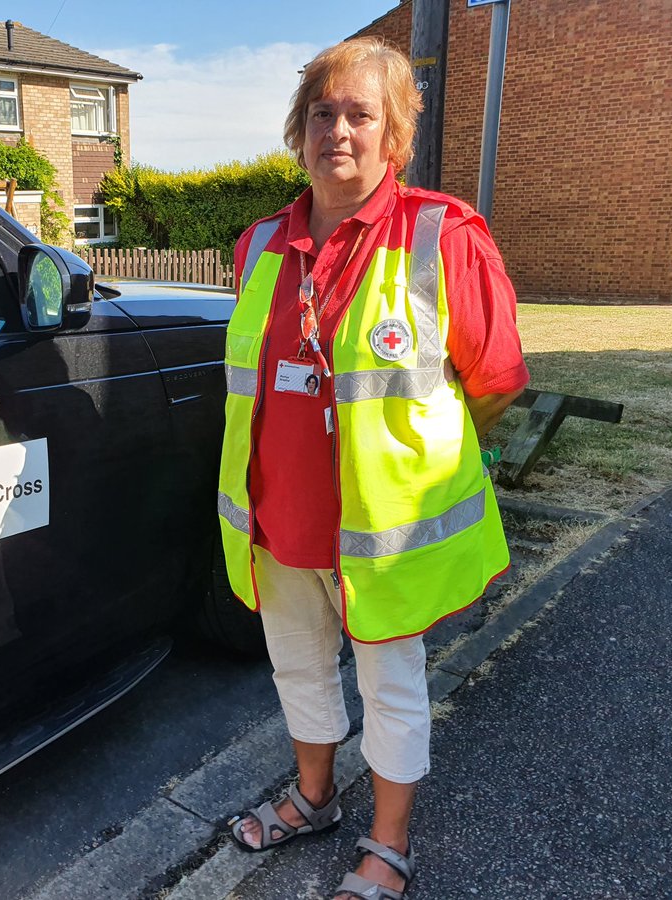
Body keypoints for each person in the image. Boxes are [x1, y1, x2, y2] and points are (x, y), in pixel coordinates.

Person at [217, 37, 528, 900]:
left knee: (391, 691)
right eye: (323, 112)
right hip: (278, 527)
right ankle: (314, 799)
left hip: (382, 542)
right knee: (299, 673)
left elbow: (496, 381)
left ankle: (388, 846)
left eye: (362, 114)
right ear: (299, 128)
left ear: (396, 136)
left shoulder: (443, 236)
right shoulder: (257, 248)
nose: (339, 131)